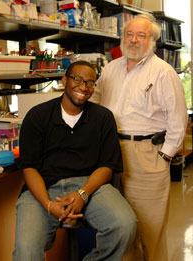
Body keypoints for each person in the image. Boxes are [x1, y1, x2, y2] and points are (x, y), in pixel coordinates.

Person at [13, 60, 137, 261]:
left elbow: (107, 166)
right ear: (64, 80)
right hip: (43, 186)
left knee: (124, 225)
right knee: (26, 250)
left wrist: (83, 194)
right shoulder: (37, 115)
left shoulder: (103, 117)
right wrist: (48, 204)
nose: (84, 87)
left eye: (90, 82)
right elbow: (29, 168)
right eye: (77, 79)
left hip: (90, 185)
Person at [90, 14, 188, 261]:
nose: (133, 40)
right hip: (111, 154)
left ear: (152, 39)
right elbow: (94, 103)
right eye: (129, 34)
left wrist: (164, 156)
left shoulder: (163, 73)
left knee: (149, 227)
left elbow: (178, 121)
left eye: (141, 35)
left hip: (147, 154)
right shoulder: (111, 68)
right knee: (119, 226)